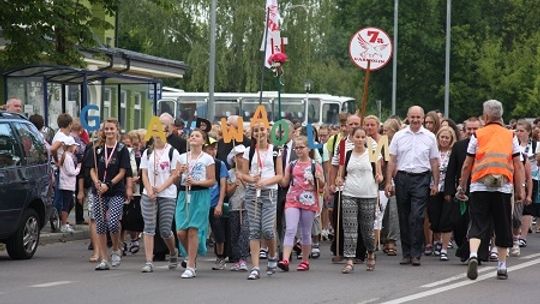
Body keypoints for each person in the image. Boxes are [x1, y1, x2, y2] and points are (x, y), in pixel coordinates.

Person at [458, 100, 525, 280]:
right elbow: (518, 165)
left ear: (486, 116)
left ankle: (473, 254)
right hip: (503, 187)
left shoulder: (478, 135)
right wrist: (521, 189)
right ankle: (502, 266)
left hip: (479, 185)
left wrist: (462, 186)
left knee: (478, 222)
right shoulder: (510, 135)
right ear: (500, 115)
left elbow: (467, 164)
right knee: (503, 225)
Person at [385, 106, 440, 266]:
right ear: (407, 118)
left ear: (423, 118)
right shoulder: (399, 136)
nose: (415, 120)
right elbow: (392, 160)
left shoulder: (430, 137)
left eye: (418, 117)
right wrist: (389, 181)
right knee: (404, 215)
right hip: (402, 177)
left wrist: (435, 183)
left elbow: (434, 161)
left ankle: (417, 253)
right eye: (413, 117)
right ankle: (407, 253)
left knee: (417, 216)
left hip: (422, 177)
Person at [239, 121, 283, 280]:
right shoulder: (248, 151)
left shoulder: (276, 150)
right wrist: (251, 178)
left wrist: (265, 182)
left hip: (269, 192)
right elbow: (243, 174)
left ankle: (272, 255)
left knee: (267, 230)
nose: (259, 133)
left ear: (268, 131)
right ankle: (256, 267)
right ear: (252, 134)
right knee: (254, 230)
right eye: (256, 130)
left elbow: (280, 175)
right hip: (252, 193)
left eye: (262, 130)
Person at [336, 127, 382, 273]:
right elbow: (340, 175)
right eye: (357, 137)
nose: (360, 140)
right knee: (350, 228)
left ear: (366, 139)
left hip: (368, 194)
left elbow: (379, 174)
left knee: (367, 230)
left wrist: (379, 177)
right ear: (353, 138)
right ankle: (349, 260)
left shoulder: (372, 154)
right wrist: (337, 180)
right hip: (349, 193)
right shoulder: (347, 154)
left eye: (363, 137)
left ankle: (370, 252)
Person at [86, 118, 131, 270]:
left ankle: (117, 248)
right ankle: (104, 259)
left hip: (115, 191)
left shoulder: (121, 149)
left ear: (117, 130)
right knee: (100, 225)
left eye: (112, 129)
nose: (109, 132)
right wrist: (96, 182)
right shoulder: (97, 148)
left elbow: (123, 171)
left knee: (112, 222)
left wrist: (109, 184)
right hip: (98, 192)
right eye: (107, 129)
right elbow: (91, 168)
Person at [444, 117, 490, 263]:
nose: (471, 132)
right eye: (468, 129)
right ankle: (464, 248)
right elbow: (451, 170)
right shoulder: (458, 146)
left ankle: (476, 253)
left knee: (479, 223)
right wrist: (448, 191)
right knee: (458, 222)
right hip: (462, 191)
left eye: (475, 129)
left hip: (482, 189)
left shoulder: (486, 146)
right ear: (464, 130)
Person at [278, 135, 324, 272]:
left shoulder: (315, 165)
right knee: (290, 228)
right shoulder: (292, 164)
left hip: (309, 200)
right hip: (292, 199)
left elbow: (322, 185)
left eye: (301, 147)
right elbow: (285, 182)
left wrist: (319, 178)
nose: (298, 150)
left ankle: (305, 260)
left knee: (305, 232)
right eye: (296, 147)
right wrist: (277, 174)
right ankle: (285, 259)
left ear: (308, 148)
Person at [139, 126, 180, 273]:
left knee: (164, 229)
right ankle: (149, 261)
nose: (157, 135)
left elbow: (174, 175)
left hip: (167, 194)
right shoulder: (147, 152)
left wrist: (160, 188)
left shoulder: (172, 152)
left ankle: (173, 252)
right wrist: (149, 189)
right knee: (149, 227)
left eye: (161, 132)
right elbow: (144, 173)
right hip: (148, 194)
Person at [175, 129, 215, 279]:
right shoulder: (181, 157)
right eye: (191, 135)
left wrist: (197, 182)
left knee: (193, 229)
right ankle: (192, 256)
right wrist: (179, 173)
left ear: (203, 141)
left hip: (200, 194)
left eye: (197, 136)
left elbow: (212, 181)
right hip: (183, 194)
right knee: (180, 231)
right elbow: (174, 180)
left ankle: (191, 265)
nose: (193, 137)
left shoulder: (207, 158)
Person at [427, 126, 457, 261]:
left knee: (447, 218)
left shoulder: (453, 153)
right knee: (434, 218)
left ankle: (444, 247)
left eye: (447, 138)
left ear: (451, 139)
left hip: (447, 189)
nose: (444, 140)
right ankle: (437, 241)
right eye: (442, 137)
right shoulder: (433, 152)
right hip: (433, 187)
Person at [203, 137, 229, 270]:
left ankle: (220, 257)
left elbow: (223, 185)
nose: (212, 151)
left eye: (214, 148)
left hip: (214, 202)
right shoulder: (199, 162)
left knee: (218, 231)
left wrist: (219, 204)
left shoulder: (220, 164)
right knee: (196, 230)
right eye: (209, 148)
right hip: (200, 201)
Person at [226, 145, 250, 271]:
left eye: (242, 156)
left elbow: (252, 188)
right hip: (234, 205)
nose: (241, 159)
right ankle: (236, 259)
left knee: (245, 231)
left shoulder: (249, 171)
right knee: (235, 233)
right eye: (238, 156)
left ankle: (243, 258)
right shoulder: (230, 173)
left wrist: (244, 180)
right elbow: (227, 192)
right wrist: (235, 184)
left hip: (247, 205)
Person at [380, 118, 401, 256]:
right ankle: (383, 237)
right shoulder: (381, 144)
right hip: (382, 182)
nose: (384, 133)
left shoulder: (399, 143)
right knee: (383, 212)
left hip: (396, 180)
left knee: (393, 212)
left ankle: (391, 240)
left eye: (387, 131)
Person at [58, 136, 82, 233]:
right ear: (70, 146)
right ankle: (63, 224)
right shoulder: (67, 157)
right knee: (67, 203)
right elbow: (70, 171)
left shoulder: (68, 156)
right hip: (67, 184)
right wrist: (79, 168)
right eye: (74, 146)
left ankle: (64, 222)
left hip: (68, 184)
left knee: (70, 203)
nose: (76, 148)